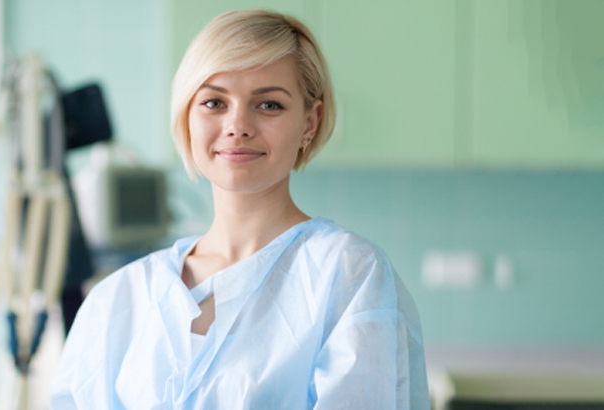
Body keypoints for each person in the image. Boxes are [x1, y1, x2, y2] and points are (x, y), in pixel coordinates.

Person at [51, 9, 429, 409]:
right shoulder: (118, 299)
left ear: (310, 122)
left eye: (268, 105)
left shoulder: (347, 276)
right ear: (187, 117)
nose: (238, 125)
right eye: (214, 102)